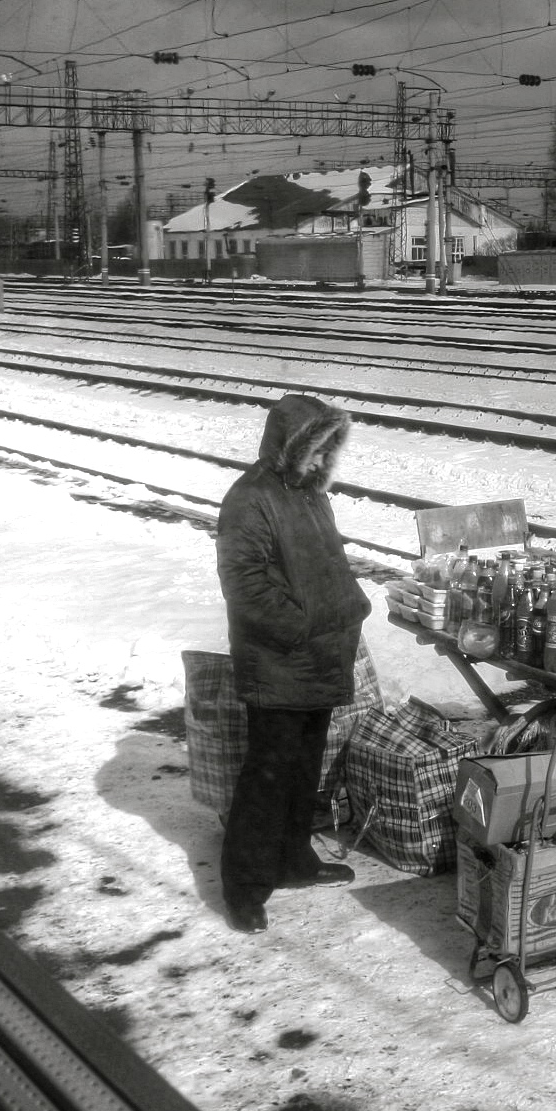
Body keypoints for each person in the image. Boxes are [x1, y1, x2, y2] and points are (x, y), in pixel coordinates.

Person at [216, 393, 372, 931]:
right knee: (268, 774)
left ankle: (293, 861)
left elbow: (323, 565)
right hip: (282, 659)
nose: (323, 458)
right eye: (316, 446)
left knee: (305, 769)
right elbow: (245, 583)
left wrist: (347, 607)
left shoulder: (308, 495)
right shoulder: (251, 498)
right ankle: (245, 887)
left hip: (320, 656)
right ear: (291, 445)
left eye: (330, 447)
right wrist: (302, 625)